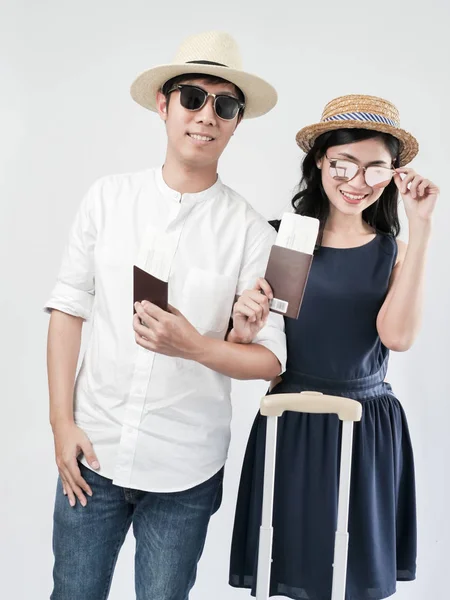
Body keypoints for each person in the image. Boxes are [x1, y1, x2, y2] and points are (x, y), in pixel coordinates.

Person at [44, 30, 286, 600]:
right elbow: (67, 310)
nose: (207, 116)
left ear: (237, 122)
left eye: (225, 106)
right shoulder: (107, 198)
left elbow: (270, 358)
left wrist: (197, 345)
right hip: (92, 452)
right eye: (193, 98)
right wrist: (61, 424)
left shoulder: (252, 232)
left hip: (186, 470)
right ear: (164, 103)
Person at [229, 94, 439, 599]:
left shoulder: (393, 248)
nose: (356, 181)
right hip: (292, 418)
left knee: (354, 577)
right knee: (294, 571)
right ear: (321, 160)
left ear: (393, 176)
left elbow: (399, 337)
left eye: (375, 169)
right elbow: (257, 353)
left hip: (366, 424)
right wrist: (242, 324)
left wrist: (423, 224)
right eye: (343, 163)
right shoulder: (283, 239)